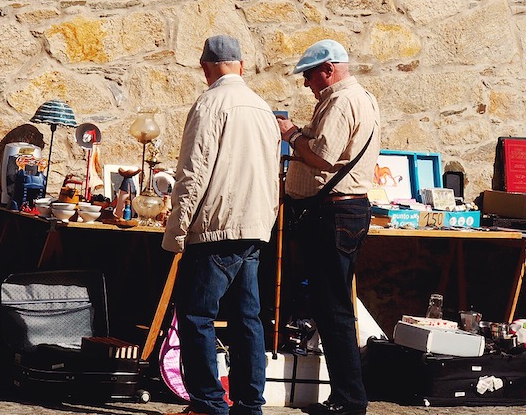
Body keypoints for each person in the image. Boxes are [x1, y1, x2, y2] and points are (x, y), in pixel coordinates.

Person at [163, 34, 282, 415]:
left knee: (197, 316)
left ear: (206, 68)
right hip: (253, 227)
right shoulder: (263, 109)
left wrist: (176, 232)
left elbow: (193, 173)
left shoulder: (210, 103)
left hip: (216, 226)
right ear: (241, 65)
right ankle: (249, 404)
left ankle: (207, 403)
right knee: (249, 320)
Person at [275, 39, 380, 415]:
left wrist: (290, 134)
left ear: (327, 69)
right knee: (331, 305)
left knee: (332, 309)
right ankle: (346, 397)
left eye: (308, 75)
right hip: (342, 214)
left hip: (334, 214)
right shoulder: (359, 96)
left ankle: (349, 400)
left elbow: (321, 156)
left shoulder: (340, 100)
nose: (306, 84)